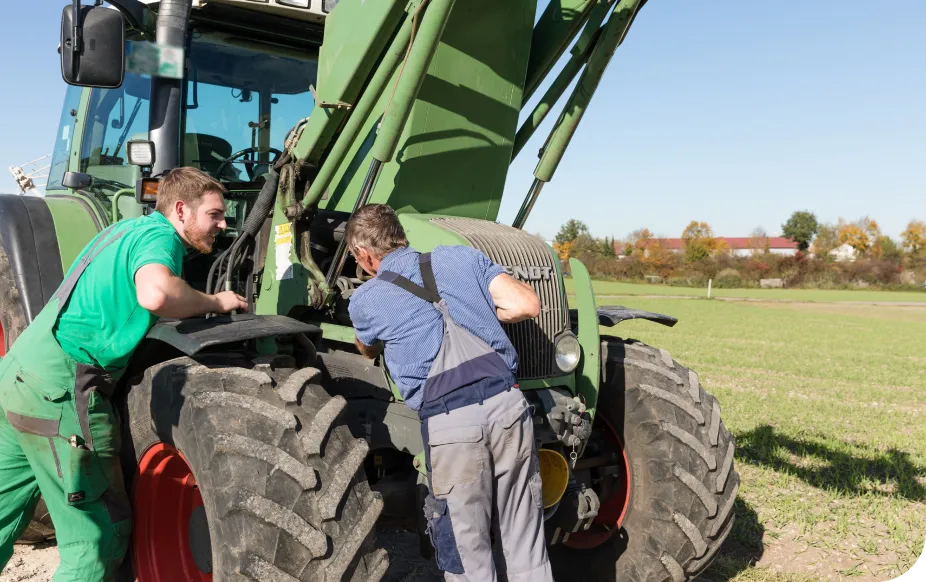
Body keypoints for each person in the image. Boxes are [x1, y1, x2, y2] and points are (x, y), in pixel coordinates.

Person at [0, 166, 247, 580]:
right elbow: (156, 293)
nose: (224, 224)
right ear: (182, 210)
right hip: (61, 390)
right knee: (97, 540)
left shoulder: (127, 229)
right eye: (215, 215)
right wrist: (216, 301)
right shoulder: (160, 237)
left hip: (18, 375)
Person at [346, 204, 553, 582]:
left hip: (451, 424)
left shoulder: (366, 300)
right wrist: (483, 310)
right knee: (525, 536)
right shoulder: (458, 257)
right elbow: (527, 304)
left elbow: (367, 347)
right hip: (509, 407)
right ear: (400, 235)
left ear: (364, 255)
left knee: (466, 548)